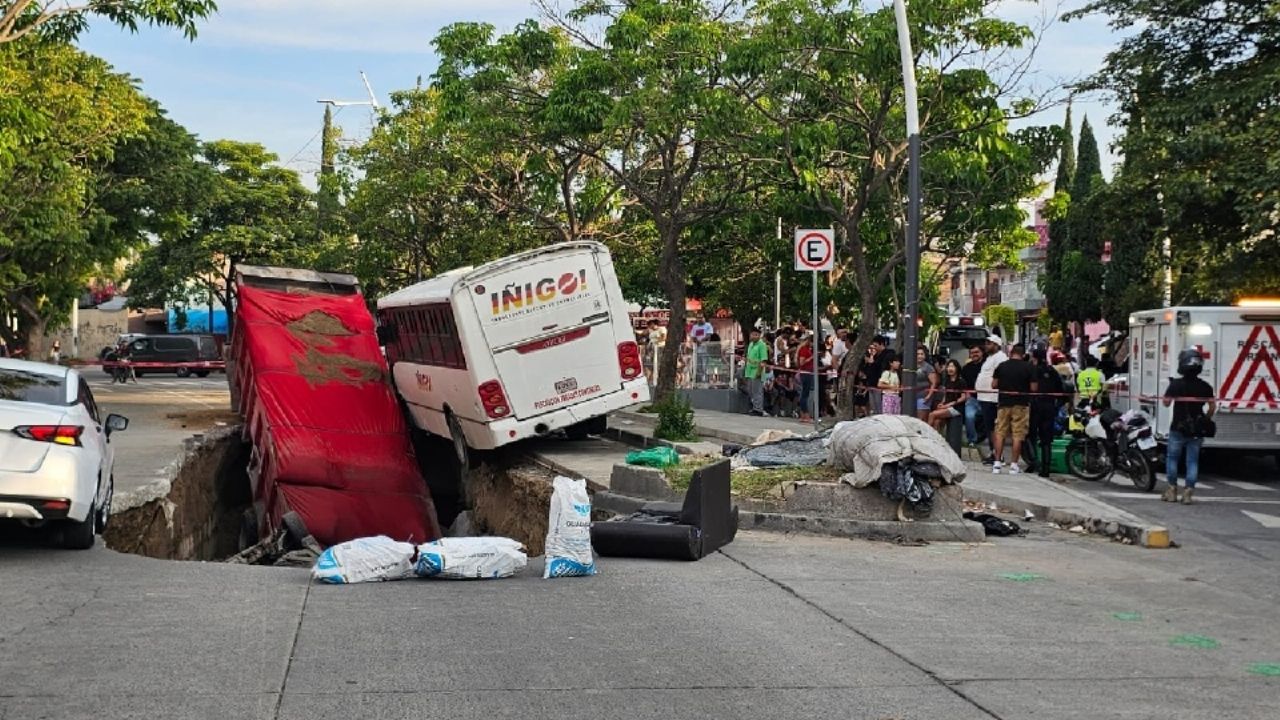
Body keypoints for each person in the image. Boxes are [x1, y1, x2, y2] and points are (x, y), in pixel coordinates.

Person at [1162, 348, 1215, 504]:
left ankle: (1171, 490)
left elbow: (1166, 403)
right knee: (1192, 461)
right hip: (1196, 430)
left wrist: (1171, 392)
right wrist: (1205, 419)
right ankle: (1188, 493)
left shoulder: (1176, 384)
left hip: (1177, 428)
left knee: (1172, 459)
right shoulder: (1205, 386)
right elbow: (1212, 407)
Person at [991, 343, 1037, 474]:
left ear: (1011, 353)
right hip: (1021, 405)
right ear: (1023, 355)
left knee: (1000, 432)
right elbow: (1034, 388)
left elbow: (994, 385)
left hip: (1003, 403)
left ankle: (997, 463)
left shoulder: (1002, 366)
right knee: (1018, 434)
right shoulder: (1029, 367)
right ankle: (1014, 465)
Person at [1029, 347, 1066, 478]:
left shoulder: (1032, 370)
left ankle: (1033, 463)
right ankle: (1046, 468)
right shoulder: (1052, 371)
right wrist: (1057, 406)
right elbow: (1061, 390)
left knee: (1030, 435)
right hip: (1049, 407)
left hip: (1035, 406)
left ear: (1035, 357)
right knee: (1046, 439)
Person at [975, 333, 1008, 463]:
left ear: (996, 345)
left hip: (992, 398)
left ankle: (997, 455)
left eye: (989, 343)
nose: (986, 346)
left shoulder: (1000, 358)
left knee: (993, 428)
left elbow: (1000, 376)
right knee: (989, 427)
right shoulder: (990, 358)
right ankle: (993, 452)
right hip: (985, 397)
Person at [928, 359, 969, 434]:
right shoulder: (947, 380)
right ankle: (936, 440)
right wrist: (942, 403)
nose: (950, 368)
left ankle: (926, 434)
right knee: (937, 421)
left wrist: (949, 404)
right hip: (946, 405)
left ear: (957, 368)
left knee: (932, 414)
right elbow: (946, 394)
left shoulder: (961, 381)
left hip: (956, 407)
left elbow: (963, 397)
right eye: (949, 366)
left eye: (952, 366)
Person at [961, 346, 986, 446]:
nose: (975, 354)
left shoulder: (986, 366)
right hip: (972, 398)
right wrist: (966, 393)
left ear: (982, 353)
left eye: (977, 352)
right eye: (972, 352)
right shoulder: (966, 368)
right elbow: (963, 384)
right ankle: (972, 440)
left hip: (987, 398)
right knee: (969, 416)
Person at [744, 329, 769, 416]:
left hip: (757, 371)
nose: (754, 336)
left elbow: (763, 360)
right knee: (750, 390)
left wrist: (759, 372)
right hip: (749, 371)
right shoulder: (750, 344)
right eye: (752, 334)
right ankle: (754, 406)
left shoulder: (762, 345)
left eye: (756, 335)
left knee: (757, 391)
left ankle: (758, 409)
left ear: (759, 335)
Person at [913, 345, 940, 422]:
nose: (920, 356)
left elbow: (934, 383)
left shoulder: (928, 367)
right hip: (912, 397)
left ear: (925, 355)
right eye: (918, 354)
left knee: (921, 420)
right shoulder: (911, 366)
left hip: (923, 397)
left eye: (922, 354)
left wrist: (928, 396)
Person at [796, 334, 816, 420]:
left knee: (805, 394)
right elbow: (802, 362)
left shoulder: (807, 349)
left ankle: (803, 414)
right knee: (805, 395)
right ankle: (805, 414)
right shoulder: (804, 350)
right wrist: (812, 357)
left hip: (808, 372)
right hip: (806, 373)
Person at [878, 351, 902, 415]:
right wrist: (891, 387)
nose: (898, 363)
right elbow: (880, 384)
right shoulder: (886, 373)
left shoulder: (897, 374)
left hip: (896, 397)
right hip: (888, 397)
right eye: (896, 361)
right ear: (890, 363)